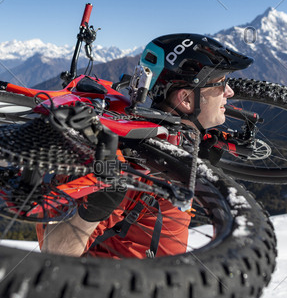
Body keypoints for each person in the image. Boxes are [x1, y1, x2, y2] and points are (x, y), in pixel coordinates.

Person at [38, 34, 253, 257]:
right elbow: (51, 250)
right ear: (187, 100)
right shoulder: (133, 166)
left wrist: (199, 157)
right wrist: (93, 212)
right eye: (221, 84)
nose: (230, 92)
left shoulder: (178, 143)